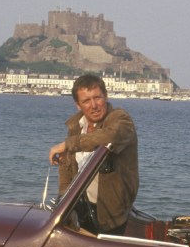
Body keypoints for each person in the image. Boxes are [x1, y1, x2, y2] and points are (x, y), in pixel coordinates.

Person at [47, 74, 138, 235]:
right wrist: (63, 204)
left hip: (112, 214)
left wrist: (68, 144)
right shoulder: (76, 127)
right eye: (86, 101)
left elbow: (109, 137)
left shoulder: (121, 119)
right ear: (78, 105)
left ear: (106, 96)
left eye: (98, 98)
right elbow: (66, 171)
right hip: (81, 208)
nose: (94, 105)